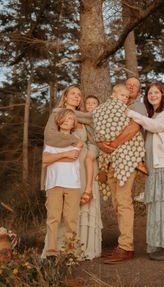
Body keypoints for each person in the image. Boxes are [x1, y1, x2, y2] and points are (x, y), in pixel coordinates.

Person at [41, 85, 102, 260]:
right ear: (65, 97)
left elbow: (93, 140)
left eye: (79, 95)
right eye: (72, 94)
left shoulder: (84, 117)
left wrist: (93, 152)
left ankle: (78, 249)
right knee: (57, 213)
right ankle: (54, 250)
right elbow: (50, 137)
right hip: (63, 167)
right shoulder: (57, 114)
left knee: (75, 212)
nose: (76, 96)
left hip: (84, 165)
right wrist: (74, 142)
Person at [126, 82, 164, 261]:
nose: (152, 95)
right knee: (157, 207)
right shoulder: (152, 115)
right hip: (154, 168)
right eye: (150, 93)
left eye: (156, 92)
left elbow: (156, 127)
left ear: (162, 94)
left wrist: (131, 113)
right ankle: (161, 245)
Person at [95, 82, 146, 264]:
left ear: (138, 91)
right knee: (117, 204)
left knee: (124, 203)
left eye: (134, 87)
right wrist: (101, 142)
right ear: (116, 93)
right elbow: (100, 124)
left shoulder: (136, 106)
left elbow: (133, 128)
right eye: (126, 88)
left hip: (125, 159)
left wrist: (112, 145)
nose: (129, 92)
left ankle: (126, 247)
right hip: (110, 161)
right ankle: (123, 243)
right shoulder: (110, 107)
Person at [42, 109, 82, 260]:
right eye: (65, 118)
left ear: (73, 123)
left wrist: (55, 157)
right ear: (58, 120)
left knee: (70, 220)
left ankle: (70, 252)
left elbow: (74, 157)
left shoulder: (76, 139)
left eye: (71, 118)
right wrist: (65, 154)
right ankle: (51, 252)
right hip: (54, 183)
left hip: (73, 184)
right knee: (53, 218)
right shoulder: (51, 139)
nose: (67, 120)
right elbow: (45, 160)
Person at [80, 95, 100, 205]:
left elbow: (76, 115)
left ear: (98, 106)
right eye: (88, 103)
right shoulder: (87, 115)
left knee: (88, 160)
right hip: (90, 144)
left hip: (95, 144)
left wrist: (61, 111)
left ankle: (88, 188)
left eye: (93, 103)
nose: (91, 105)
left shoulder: (93, 115)